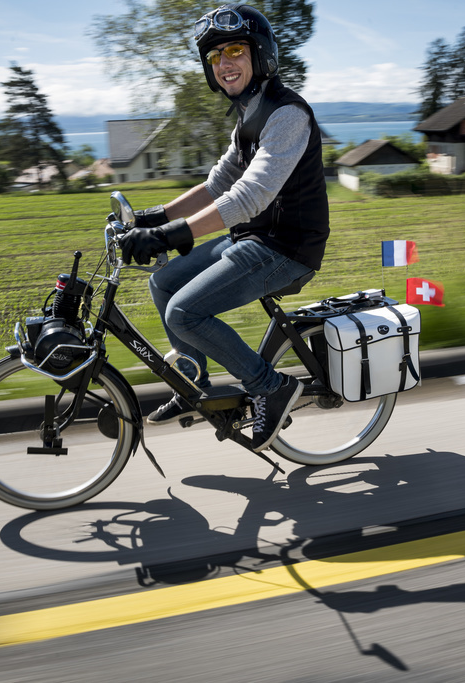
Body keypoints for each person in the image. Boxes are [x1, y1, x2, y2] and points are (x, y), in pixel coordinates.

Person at [118, 3, 329, 453]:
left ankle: (270, 387)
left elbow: (250, 196)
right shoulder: (248, 118)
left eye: (234, 49)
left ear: (260, 54)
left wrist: (172, 235)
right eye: (214, 57)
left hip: (286, 249)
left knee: (184, 312)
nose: (224, 63)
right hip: (252, 240)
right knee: (164, 282)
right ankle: (193, 383)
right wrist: (151, 218)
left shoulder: (288, 114)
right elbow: (217, 185)